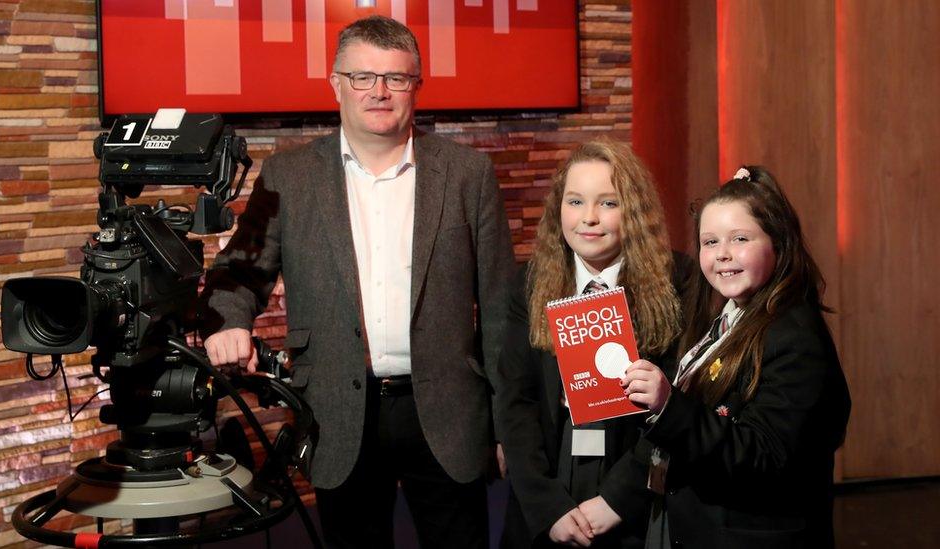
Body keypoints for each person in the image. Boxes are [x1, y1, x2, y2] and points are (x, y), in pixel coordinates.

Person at [198, 15, 516, 548]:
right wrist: (226, 323)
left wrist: (508, 426)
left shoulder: (467, 173)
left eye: (396, 78)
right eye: (363, 76)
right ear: (336, 83)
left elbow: (503, 309)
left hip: (447, 412)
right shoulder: (290, 176)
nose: (380, 91)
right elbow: (237, 273)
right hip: (335, 412)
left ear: (416, 85)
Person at [622, 166, 851, 548]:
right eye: (710, 242)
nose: (723, 255)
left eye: (740, 238)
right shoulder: (729, 316)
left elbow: (764, 458)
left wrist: (669, 406)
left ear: (778, 243)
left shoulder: (793, 338)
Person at [496, 140, 690, 548]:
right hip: (552, 474)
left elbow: (679, 406)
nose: (589, 219)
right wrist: (547, 506)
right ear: (558, 209)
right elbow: (516, 403)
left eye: (608, 203)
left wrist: (618, 499)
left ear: (633, 211)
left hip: (633, 478)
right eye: (575, 201)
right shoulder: (529, 285)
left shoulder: (679, 282)